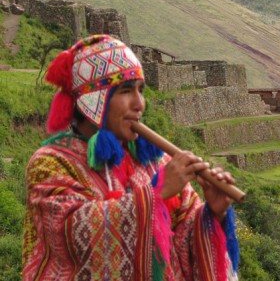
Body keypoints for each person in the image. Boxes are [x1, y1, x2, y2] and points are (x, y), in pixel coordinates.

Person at [22, 35, 239, 281]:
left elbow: (184, 238)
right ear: (95, 101)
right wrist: (156, 193)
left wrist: (213, 212)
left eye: (141, 91)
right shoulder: (50, 163)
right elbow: (68, 236)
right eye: (126, 91)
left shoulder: (155, 163)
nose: (139, 104)